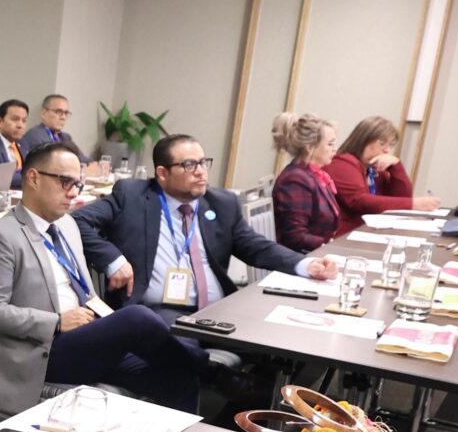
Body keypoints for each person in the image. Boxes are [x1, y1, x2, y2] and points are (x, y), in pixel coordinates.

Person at [0, 142, 203, 417]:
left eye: (77, 184)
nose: (73, 193)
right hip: (39, 352)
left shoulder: (67, 225)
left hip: (82, 341)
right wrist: (57, 321)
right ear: (33, 178)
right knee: (136, 317)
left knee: (179, 377)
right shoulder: (1, 236)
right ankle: (212, 370)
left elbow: (86, 292)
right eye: (65, 182)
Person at [77, 133, 336, 322]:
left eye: (203, 163)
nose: (201, 172)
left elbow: (257, 247)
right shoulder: (132, 196)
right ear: (162, 173)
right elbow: (77, 221)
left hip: (217, 310)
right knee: (183, 346)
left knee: (275, 338)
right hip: (157, 311)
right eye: (189, 165)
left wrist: (305, 265)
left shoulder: (221, 203)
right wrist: (113, 259)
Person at [325, 115, 439, 235]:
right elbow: (359, 201)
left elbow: (401, 197)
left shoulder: (373, 169)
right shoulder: (342, 163)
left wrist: (396, 166)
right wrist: (413, 204)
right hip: (343, 236)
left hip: (367, 232)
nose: (387, 150)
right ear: (363, 140)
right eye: (382, 143)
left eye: (390, 145)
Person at [270, 112, 342, 253]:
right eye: (330, 144)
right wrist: (330, 246)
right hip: (300, 258)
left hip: (316, 253)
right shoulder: (295, 180)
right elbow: (294, 236)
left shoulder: (311, 175)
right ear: (310, 147)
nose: (335, 148)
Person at [30, 93, 84, 161]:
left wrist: (93, 164)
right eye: (59, 112)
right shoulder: (35, 135)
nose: (63, 117)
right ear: (43, 113)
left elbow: (83, 158)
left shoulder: (66, 137)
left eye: (66, 113)